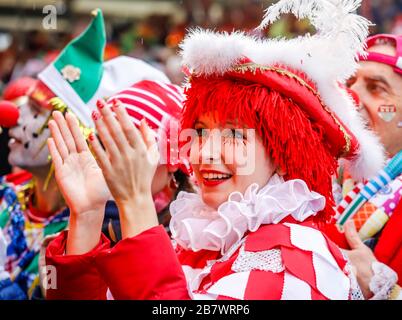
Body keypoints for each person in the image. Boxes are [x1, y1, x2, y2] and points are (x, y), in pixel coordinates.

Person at [45, 0, 398, 300]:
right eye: (199, 131)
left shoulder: (295, 256)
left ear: (281, 150)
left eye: (233, 133)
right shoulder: (202, 238)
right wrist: (88, 216)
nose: (204, 153)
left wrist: (136, 203)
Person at [0, 9, 171, 300]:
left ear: (81, 136)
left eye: (38, 110)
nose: (14, 118)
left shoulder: (99, 233)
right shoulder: (6, 195)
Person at [324, 33, 402, 293]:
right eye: (349, 81)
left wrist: (382, 288)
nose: (351, 95)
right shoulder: (314, 179)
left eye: (375, 87)